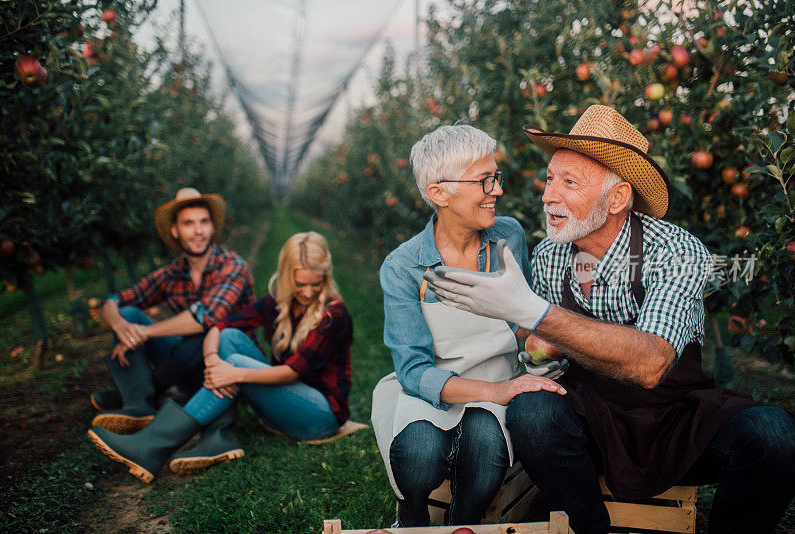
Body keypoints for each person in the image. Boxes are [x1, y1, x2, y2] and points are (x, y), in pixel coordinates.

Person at [425, 105, 795, 534]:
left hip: (675, 419)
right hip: (593, 419)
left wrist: (532, 311)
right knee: (533, 412)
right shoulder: (549, 257)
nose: (548, 195)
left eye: (569, 183)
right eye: (549, 179)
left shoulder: (675, 251)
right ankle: (589, 528)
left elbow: (651, 364)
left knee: (774, 434)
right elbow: (550, 353)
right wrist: (535, 352)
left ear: (617, 198)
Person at [371, 125, 566, 528]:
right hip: (432, 384)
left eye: (497, 177)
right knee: (419, 453)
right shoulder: (404, 267)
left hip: (498, 377)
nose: (497, 190)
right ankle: (412, 513)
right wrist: (498, 391)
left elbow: (520, 323)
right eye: (484, 180)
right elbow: (414, 370)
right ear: (439, 192)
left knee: (484, 445)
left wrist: (539, 341)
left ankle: (463, 521)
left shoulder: (508, 236)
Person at [87, 231, 353, 482]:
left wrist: (234, 373)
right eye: (300, 284)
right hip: (281, 408)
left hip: (319, 417)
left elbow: (292, 373)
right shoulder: (278, 301)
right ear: (286, 276)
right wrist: (213, 361)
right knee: (226, 338)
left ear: (325, 278)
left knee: (234, 363)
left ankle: (152, 444)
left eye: (315, 284)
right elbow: (219, 325)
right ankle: (196, 435)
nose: (307, 292)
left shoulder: (335, 315)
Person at [92, 187, 256, 467]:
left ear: (213, 227)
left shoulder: (232, 265)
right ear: (175, 231)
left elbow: (207, 315)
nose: (198, 231)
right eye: (188, 223)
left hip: (232, 366)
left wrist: (143, 332)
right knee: (130, 313)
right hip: (191, 364)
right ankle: (138, 406)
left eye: (204, 222)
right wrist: (121, 326)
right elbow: (113, 302)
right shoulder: (172, 273)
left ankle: (157, 398)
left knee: (208, 332)